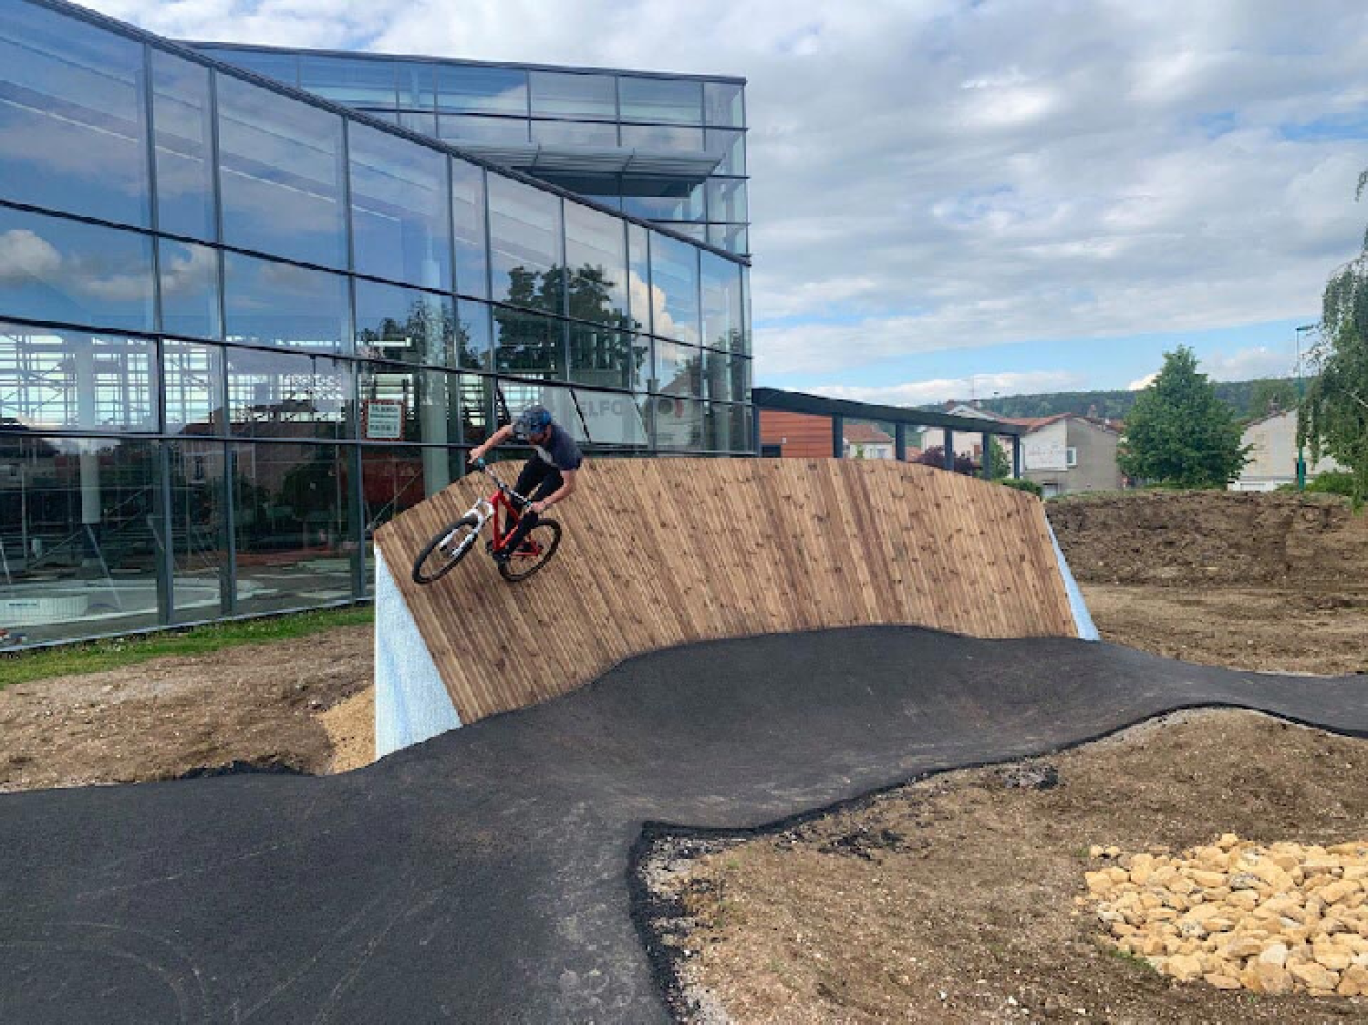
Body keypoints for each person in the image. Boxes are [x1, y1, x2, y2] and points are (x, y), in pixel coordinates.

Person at [468, 405, 583, 562]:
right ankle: (510, 534)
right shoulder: (529, 426)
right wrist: (482, 449)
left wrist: (544, 503)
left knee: (532, 508)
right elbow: (504, 433)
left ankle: (509, 548)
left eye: (532, 436)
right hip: (541, 460)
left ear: (546, 430)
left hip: (558, 472)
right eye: (527, 435)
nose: (528, 439)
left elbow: (570, 486)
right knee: (517, 494)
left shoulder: (563, 449)